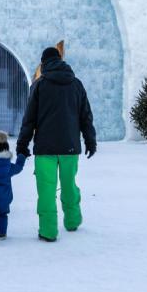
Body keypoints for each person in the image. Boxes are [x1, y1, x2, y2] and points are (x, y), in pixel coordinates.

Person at [16, 46, 96, 242]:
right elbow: (85, 116)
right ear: (61, 60)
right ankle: (73, 220)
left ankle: (48, 231)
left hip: (45, 148)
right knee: (69, 184)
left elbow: (29, 119)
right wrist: (90, 140)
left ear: (43, 63)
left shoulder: (39, 85)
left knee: (46, 189)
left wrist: (22, 145)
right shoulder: (76, 84)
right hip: (70, 146)